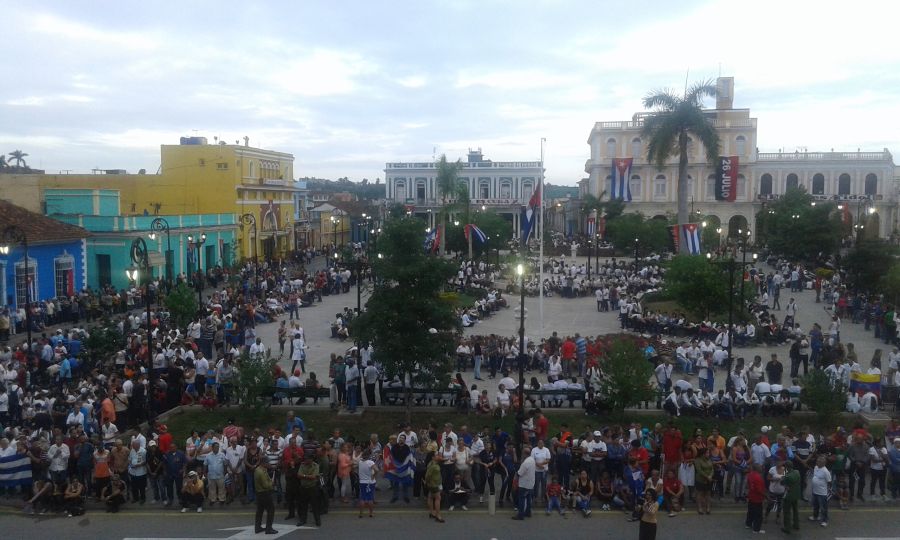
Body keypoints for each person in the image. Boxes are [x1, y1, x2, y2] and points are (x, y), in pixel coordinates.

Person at [296, 454, 321, 527]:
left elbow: (313, 477)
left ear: (311, 459)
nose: (306, 460)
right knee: (303, 505)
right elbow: (298, 475)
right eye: (305, 459)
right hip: (303, 488)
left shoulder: (316, 466)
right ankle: (303, 520)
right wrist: (307, 476)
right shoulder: (302, 465)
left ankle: (317, 520)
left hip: (312, 488)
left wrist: (304, 476)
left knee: (315, 505)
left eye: (307, 459)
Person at [511, 447, 535, 521]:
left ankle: (520, 515)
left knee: (521, 499)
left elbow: (519, 473)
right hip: (531, 483)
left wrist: (514, 480)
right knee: (528, 499)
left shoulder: (525, 463)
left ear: (524, 454)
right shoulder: (532, 459)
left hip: (524, 484)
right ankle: (528, 512)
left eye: (522, 453)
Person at [253, 462, 277, 534]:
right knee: (271, 510)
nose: (269, 464)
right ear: (264, 463)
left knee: (260, 511)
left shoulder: (257, 470)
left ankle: (257, 527)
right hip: (264, 493)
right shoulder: (261, 472)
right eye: (268, 463)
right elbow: (266, 485)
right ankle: (268, 529)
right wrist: (271, 483)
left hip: (258, 493)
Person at [810, 456, 832, 528]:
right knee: (815, 505)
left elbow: (829, 482)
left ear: (824, 463)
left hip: (822, 493)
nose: (817, 462)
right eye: (817, 461)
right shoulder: (816, 467)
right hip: (815, 491)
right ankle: (815, 516)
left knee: (823, 508)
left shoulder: (826, 471)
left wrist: (828, 490)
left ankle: (824, 521)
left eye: (819, 461)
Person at [780, 461, 801, 534]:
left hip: (789, 496)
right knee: (795, 510)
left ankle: (787, 528)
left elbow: (781, 482)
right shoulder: (797, 472)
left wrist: (783, 476)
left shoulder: (787, 476)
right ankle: (796, 524)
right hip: (796, 494)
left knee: (787, 512)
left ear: (786, 467)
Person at [425, 453, 445, 523]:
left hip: (432, 483)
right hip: (434, 484)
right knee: (438, 498)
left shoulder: (431, 463)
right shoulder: (433, 466)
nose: (438, 456)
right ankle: (438, 515)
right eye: (436, 455)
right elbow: (427, 475)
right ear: (433, 457)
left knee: (430, 497)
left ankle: (431, 512)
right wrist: (427, 482)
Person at [745, 464, 765, 533]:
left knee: (750, 511)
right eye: (760, 467)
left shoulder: (750, 475)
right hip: (757, 498)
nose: (761, 468)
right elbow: (759, 490)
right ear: (757, 469)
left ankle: (748, 524)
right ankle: (756, 529)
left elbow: (747, 485)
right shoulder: (758, 477)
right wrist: (766, 496)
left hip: (751, 496)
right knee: (758, 514)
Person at [358, 449, 377, 518]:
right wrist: (374, 476)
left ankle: (361, 514)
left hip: (362, 482)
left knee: (362, 498)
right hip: (370, 482)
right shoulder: (370, 462)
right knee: (370, 498)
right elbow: (377, 470)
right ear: (369, 455)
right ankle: (371, 513)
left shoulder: (360, 462)